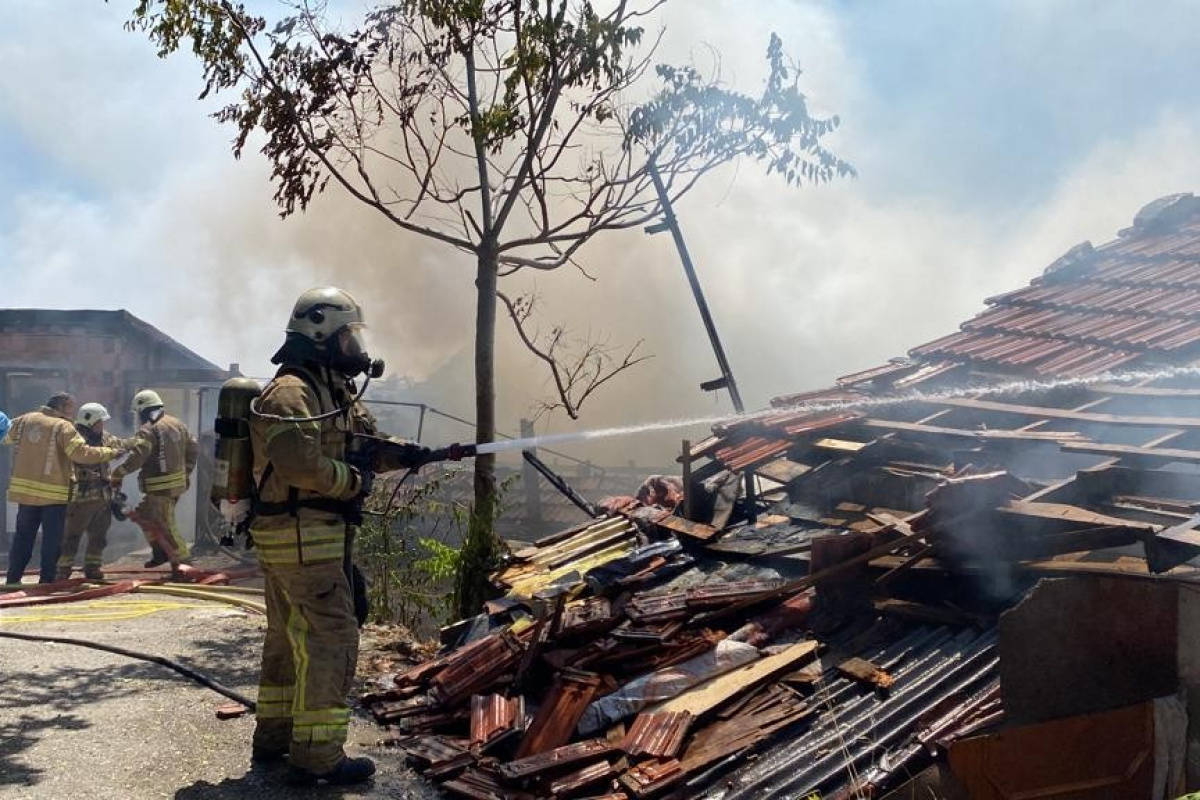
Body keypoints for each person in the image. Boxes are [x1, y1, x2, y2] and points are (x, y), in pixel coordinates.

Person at [242, 286, 424, 786]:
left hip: (305, 538)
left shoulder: (333, 392)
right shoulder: (291, 393)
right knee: (332, 637)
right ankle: (318, 757)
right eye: (348, 336)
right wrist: (352, 482)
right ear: (321, 334)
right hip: (302, 538)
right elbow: (298, 463)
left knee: (288, 637)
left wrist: (407, 454)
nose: (356, 347)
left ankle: (275, 737)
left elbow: (363, 446)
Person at [3, 393, 125, 585]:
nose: (72, 414)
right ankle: (47, 581)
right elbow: (80, 453)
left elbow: (4, 437)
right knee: (52, 540)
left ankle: (13, 578)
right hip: (53, 495)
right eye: (70, 408)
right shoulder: (63, 426)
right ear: (61, 407)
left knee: (23, 537)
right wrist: (110, 453)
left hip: (25, 494)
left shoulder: (24, 420)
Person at [110, 390, 198, 575]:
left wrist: (119, 473)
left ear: (143, 410)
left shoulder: (148, 429)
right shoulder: (177, 424)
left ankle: (184, 565)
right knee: (145, 516)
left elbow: (139, 456)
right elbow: (193, 448)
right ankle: (160, 552)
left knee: (167, 526)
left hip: (159, 489)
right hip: (176, 486)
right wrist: (186, 472)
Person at [55, 403, 126, 581]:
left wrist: (136, 442)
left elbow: (120, 444)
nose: (102, 425)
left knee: (99, 537)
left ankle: (93, 567)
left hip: (103, 498)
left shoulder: (104, 436)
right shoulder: (75, 438)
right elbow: (84, 456)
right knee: (71, 537)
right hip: (81, 499)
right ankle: (63, 570)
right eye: (99, 422)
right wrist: (112, 452)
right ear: (89, 421)